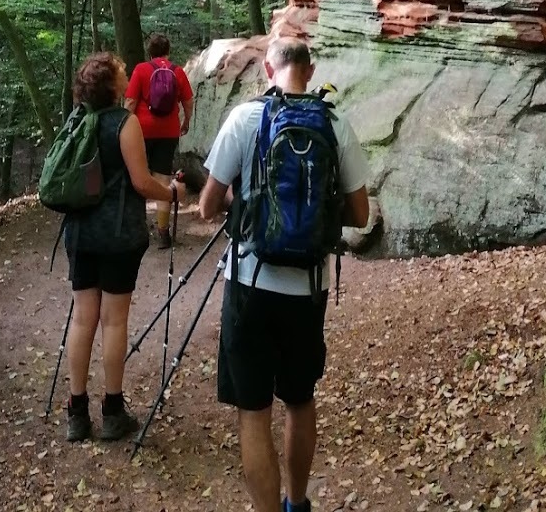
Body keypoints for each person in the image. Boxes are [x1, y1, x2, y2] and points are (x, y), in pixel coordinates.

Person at [199, 37, 369, 512]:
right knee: (299, 399)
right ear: (310, 72)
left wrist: (247, 204)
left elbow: (207, 206)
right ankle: (297, 503)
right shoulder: (334, 123)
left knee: (253, 413)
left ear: (267, 73)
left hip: (249, 283)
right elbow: (360, 214)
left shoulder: (245, 118)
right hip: (308, 289)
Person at [64, 51, 185, 443]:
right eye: (121, 74)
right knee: (113, 320)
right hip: (117, 236)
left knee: (83, 319)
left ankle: (76, 413)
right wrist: (169, 191)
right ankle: (112, 411)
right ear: (114, 87)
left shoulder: (77, 120)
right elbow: (140, 182)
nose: (126, 76)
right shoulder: (124, 123)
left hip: (80, 233)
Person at [125, 33, 194, 249]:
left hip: (141, 131)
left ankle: (136, 229)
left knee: (138, 177)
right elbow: (188, 100)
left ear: (149, 51)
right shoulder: (177, 71)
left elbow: (130, 101)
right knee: (163, 180)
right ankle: (163, 233)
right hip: (168, 131)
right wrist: (186, 122)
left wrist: (124, 126)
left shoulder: (141, 70)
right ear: (168, 50)